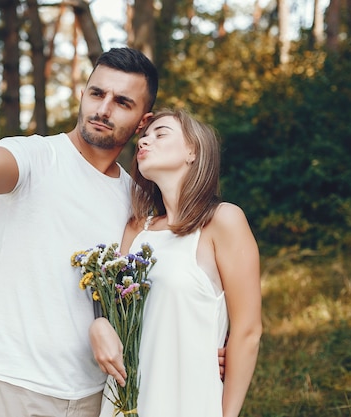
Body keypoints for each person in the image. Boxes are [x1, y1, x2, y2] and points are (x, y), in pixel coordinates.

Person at [0, 28, 162, 416]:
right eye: (97, 93)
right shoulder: (35, 157)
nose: (104, 108)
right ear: (83, 94)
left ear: (142, 121)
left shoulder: (135, 199)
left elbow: (138, 295)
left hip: (92, 395)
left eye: (122, 102)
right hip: (11, 386)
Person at [93, 109, 262, 417]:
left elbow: (248, 331)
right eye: (144, 136)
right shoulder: (135, 229)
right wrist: (99, 324)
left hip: (190, 397)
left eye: (161, 134)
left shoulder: (222, 221)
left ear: (192, 151)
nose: (145, 141)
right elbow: (116, 317)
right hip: (127, 399)